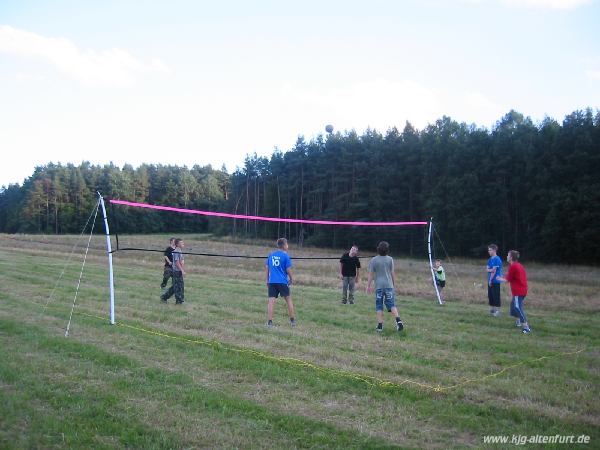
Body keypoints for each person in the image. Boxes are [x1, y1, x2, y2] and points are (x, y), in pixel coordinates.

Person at [366, 241, 403, 333]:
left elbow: (371, 274)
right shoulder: (390, 259)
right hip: (389, 286)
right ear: (387, 250)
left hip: (379, 286)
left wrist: (368, 286)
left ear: (378, 249)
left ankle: (380, 326)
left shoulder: (373, 260)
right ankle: (398, 321)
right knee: (391, 304)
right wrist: (394, 284)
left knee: (379, 305)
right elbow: (392, 273)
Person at [497, 250, 531, 334]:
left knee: (517, 308)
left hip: (518, 291)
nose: (507, 257)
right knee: (513, 307)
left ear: (511, 257)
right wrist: (502, 277)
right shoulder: (517, 265)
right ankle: (518, 322)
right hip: (522, 290)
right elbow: (510, 277)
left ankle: (526, 327)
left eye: (508, 255)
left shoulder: (513, 266)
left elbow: (507, 280)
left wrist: (498, 279)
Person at [265, 238, 296, 328]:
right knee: (289, 300)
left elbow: (267, 268)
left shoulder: (271, 255)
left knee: (271, 302)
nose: (288, 246)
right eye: (287, 244)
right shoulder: (285, 256)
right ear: (284, 245)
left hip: (272, 281)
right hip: (282, 282)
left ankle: (270, 322)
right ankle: (292, 321)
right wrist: (291, 279)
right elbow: (288, 269)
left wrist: (267, 280)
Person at [161, 238, 185, 304]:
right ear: (177, 244)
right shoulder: (176, 251)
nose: (183, 244)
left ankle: (164, 297)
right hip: (176, 271)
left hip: (179, 271)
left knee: (177, 286)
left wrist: (182, 269)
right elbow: (177, 262)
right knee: (177, 287)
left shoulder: (179, 250)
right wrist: (182, 270)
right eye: (181, 243)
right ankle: (179, 301)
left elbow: (181, 261)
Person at [486, 244, 503, 316]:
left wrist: (490, 280)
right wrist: (490, 270)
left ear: (494, 250)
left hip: (495, 281)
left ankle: (497, 311)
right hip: (490, 280)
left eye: (490, 250)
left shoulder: (497, 259)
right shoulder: (489, 259)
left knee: (496, 295)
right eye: (488, 250)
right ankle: (492, 310)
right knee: (490, 295)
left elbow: (494, 271)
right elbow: (487, 269)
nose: (489, 251)